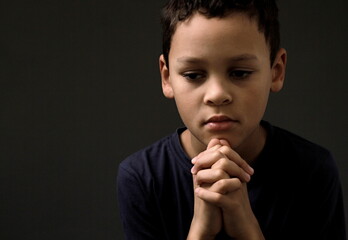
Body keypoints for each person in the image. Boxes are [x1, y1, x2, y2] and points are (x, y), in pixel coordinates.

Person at [117, 0, 346, 239]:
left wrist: (247, 228)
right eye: (193, 75)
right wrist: (200, 230)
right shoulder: (143, 177)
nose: (217, 94)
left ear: (276, 71)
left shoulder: (313, 170)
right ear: (167, 77)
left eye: (240, 73)